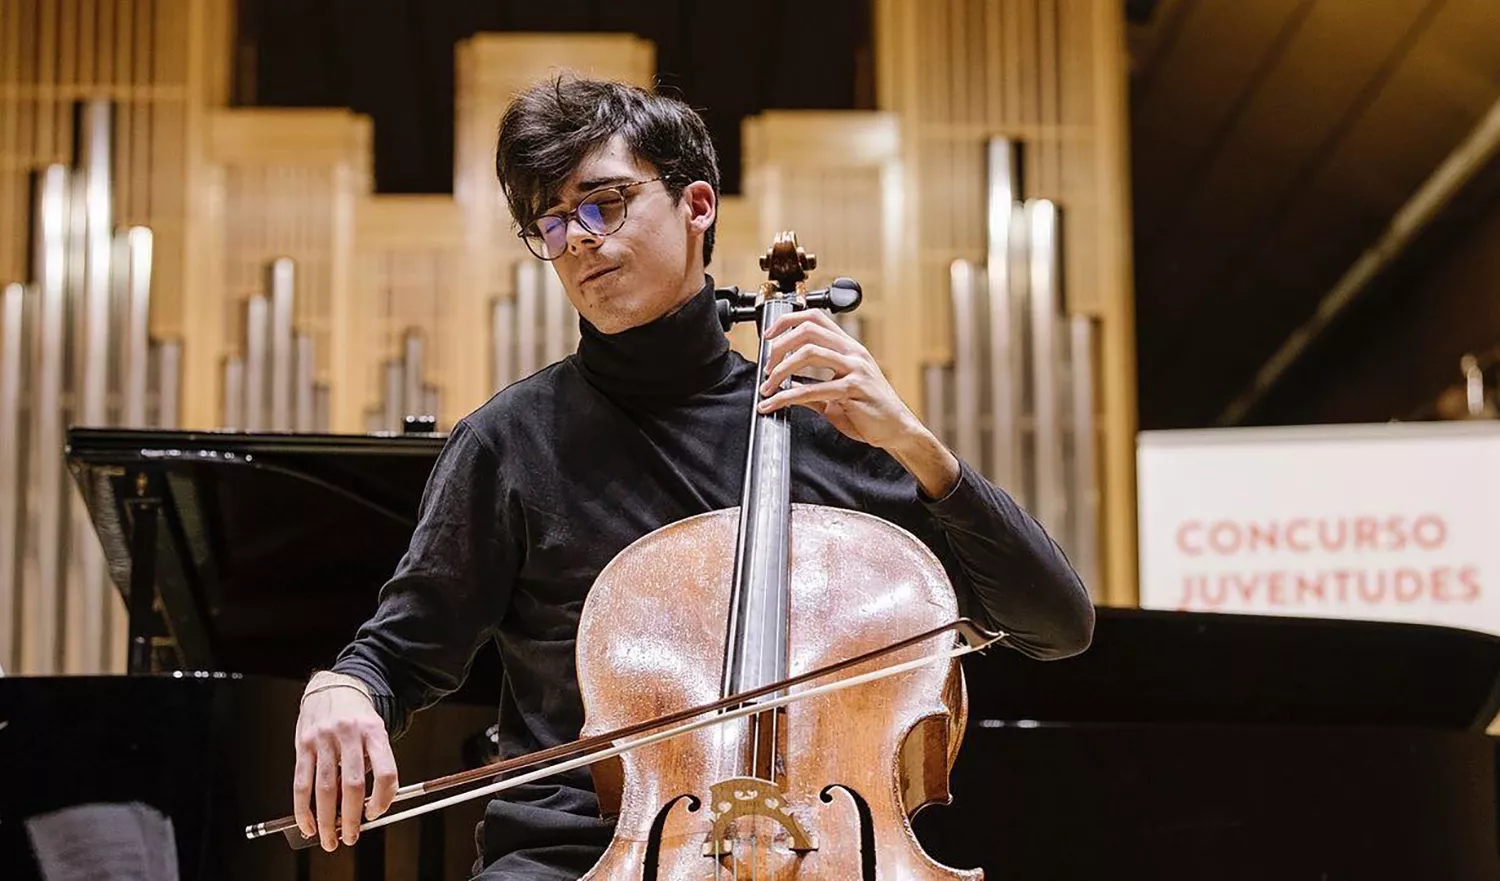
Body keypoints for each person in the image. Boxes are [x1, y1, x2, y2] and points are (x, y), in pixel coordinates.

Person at [292, 74, 1095, 880]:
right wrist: (341, 688)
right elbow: (398, 653)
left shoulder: (824, 425)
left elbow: (1057, 625)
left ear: (697, 204)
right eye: (554, 220)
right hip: (574, 861)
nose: (577, 239)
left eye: (603, 202)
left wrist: (918, 447)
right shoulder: (509, 442)